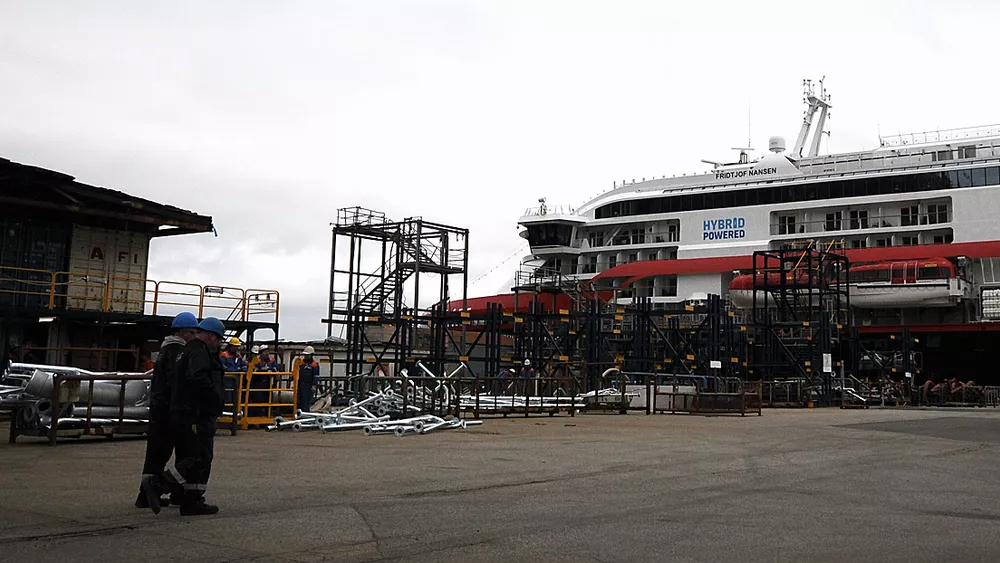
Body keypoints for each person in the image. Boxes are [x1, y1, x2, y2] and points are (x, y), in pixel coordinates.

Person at [142, 317, 227, 516]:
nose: (219, 344)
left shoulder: (186, 351)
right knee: (198, 457)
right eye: (218, 339)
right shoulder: (198, 350)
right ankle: (160, 484)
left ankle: (191, 500)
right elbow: (200, 379)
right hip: (197, 413)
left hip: (184, 412)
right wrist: (213, 401)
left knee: (196, 456)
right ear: (210, 336)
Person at [135, 312, 200, 509]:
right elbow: (178, 383)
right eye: (192, 332)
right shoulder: (178, 352)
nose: (194, 336)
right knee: (187, 453)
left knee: (156, 454)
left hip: (158, 409)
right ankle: (175, 493)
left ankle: (144, 496)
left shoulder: (164, 350)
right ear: (182, 332)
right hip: (170, 411)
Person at [296, 346, 321, 415]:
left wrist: (314, 385)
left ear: (311, 355)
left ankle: (305, 416)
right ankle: (298, 415)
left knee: (306, 403)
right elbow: (296, 372)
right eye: (305, 355)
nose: (306, 356)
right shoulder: (300, 363)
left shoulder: (315, 365)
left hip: (308, 386)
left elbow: (316, 376)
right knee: (298, 401)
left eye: (308, 355)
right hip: (300, 384)